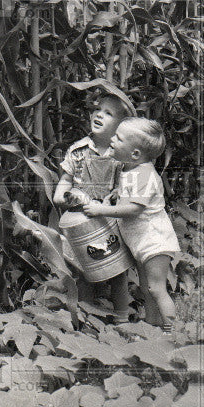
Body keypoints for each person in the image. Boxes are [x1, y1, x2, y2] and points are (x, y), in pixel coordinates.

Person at [82, 118, 180, 332]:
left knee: (156, 288)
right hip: (142, 242)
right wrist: (118, 193)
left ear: (135, 154)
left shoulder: (144, 174)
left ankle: (172, 330)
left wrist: (102, 210)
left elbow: (134, 209)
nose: (113, 140)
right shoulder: (132, 169)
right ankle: (152, 324)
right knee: (147, 288)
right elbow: (130, 192)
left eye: (118, 138)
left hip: (155, 241)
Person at [52, 94, 133, 323]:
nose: (99, 114)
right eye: (98, 110)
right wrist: (64, 195)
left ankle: (122, 318)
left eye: (109, 113)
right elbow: (66, 182)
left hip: (109, 216)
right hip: (81, 217)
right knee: (83, 269)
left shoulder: (122, 155)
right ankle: (87, 316)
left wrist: (113, 198)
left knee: (118, 270)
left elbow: (125, 187)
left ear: (120, 126)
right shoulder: (78, 150)